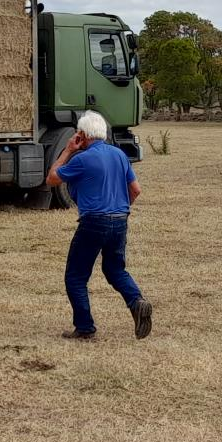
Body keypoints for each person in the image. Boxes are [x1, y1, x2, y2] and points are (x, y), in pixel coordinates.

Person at [48, 110, 153, 341]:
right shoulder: (119, 155)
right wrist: (120, 211)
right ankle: (137, 302)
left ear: (82, 135)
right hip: (120, 219)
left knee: (76, 277)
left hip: (93, 221)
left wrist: (67, 150)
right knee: (115, 270)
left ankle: (85, 327)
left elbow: (52, 178)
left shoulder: (81, 159)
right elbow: (135, 190)